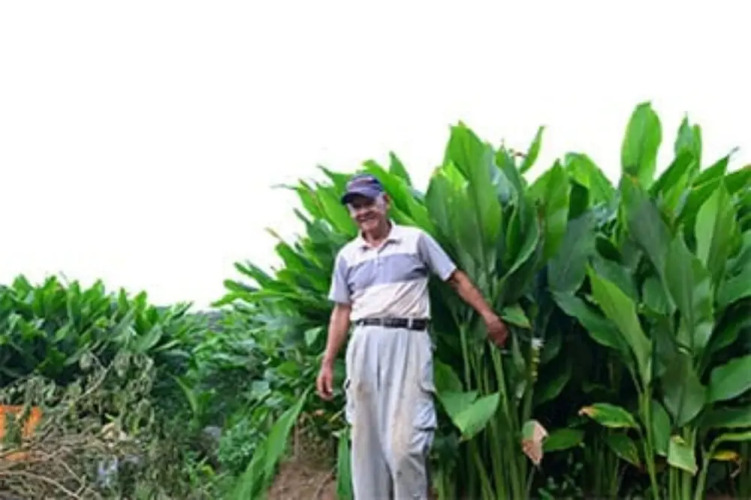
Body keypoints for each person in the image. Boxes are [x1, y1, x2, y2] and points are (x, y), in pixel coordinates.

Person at [315, 173, 508, 499]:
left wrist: (489, 316)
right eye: (356, 207)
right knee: (365, 446)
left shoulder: (415, 240)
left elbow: (455, 279)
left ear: (385, 202)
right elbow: (341, 311)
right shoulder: (347, 256)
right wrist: (327, 362)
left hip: (408, 342)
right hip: (364, 343)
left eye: (368, 203)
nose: (363, 212)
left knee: (406, 446)